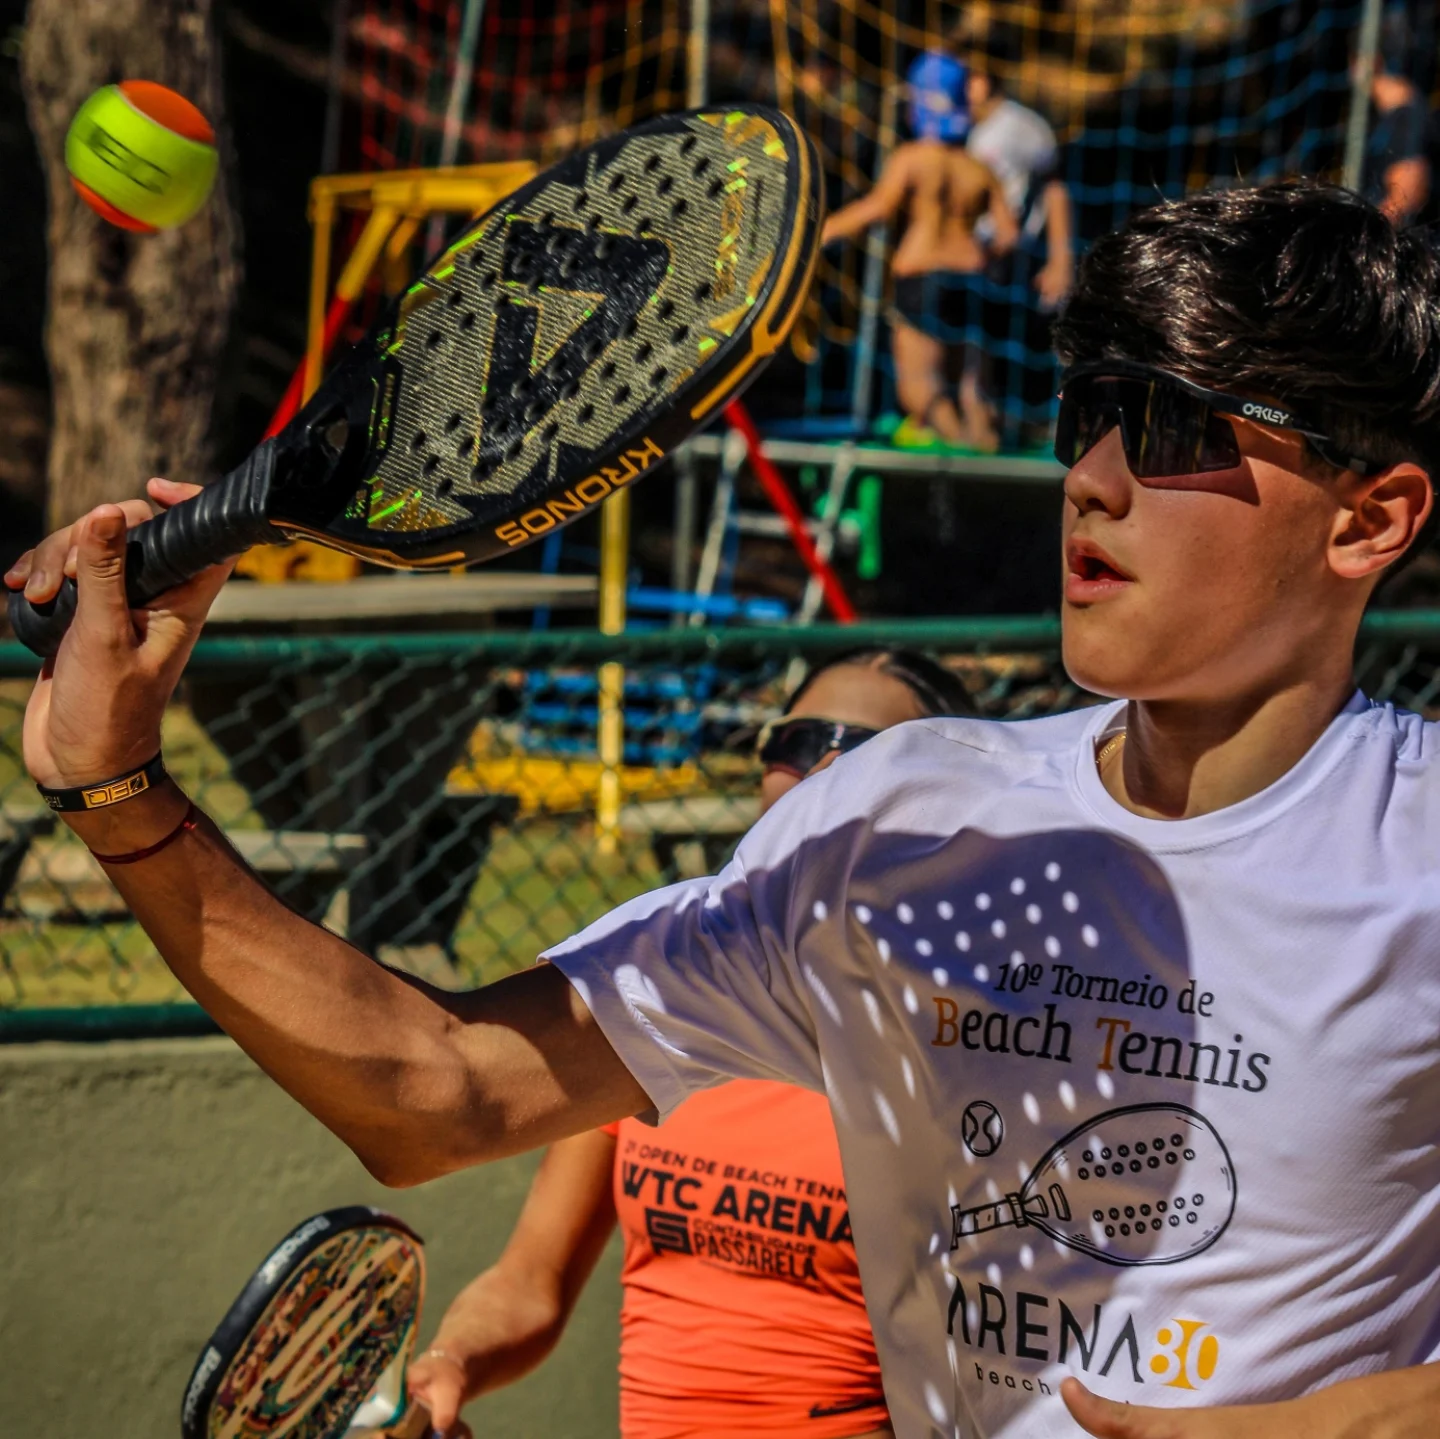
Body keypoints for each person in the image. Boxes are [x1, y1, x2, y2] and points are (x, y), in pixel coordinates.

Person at [11, 178, 1440, 1439]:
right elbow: (433, 1085)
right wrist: (117, 785)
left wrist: (1363, 1421)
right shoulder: (897, 821)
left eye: (1174, 428)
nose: (1093, 477)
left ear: (1369, 518)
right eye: (1088, 419)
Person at [407, 650, 974, 1439]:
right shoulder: (662, 999)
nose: (819, 772)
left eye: (865, 754)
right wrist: (453, 1363)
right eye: (798, 741)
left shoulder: (975, 1048)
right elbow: (530, 1279)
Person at [821, 51, 1018, 452]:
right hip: (972, 281)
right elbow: (1008, 234)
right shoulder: (979, 168)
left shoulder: (912, 158)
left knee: (921, 394)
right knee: (974, 394)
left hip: (922, 276)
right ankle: (986, 456)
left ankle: (961, 464)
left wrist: (824, 230)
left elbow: (879, 207)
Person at [962, 57, 1075, 310]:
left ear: (980, 81)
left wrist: (1060, 261)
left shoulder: (1021, 127)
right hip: (970, 257)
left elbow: (1054, 189)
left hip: (1014, 261)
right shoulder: (960, 128)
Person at [1362, 61, 1432, 225]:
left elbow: (1406, 194)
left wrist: (1369, 231)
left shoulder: (1408, 118)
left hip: (1390, 241)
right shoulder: (1379, 116)